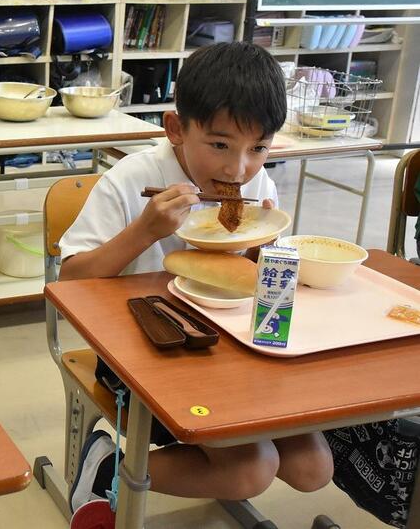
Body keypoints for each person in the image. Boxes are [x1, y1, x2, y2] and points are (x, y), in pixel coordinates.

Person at [59, 42, 334, 515]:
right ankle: (107, 468)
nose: (238, 168)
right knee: (250, 469)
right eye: (220, 144)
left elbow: (250, 278)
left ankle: (217, 452)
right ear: (176, 129)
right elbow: (69, 281)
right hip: (141, 351)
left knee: (313, 468)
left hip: (230, 347)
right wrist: (145, 230)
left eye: (259, 149)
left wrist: (263, 250)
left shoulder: (256, 186)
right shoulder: (132, 178)